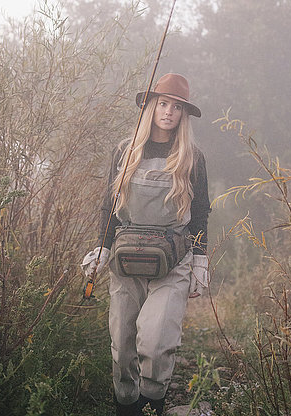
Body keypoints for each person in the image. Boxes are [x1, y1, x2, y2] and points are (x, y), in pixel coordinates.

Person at [81, 73, 211, 416]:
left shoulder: (193, 157)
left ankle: (152, 403)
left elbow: (200, 213)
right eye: (163, 103)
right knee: (123, 344)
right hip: (125, 259)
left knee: (155, 341)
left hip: (174, 260)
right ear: (151, 106)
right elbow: (108, 206)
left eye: (177, 107)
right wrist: (102, 249)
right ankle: (125, 405)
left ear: (184, 114)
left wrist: (201, 262)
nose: (169, 112)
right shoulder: (125, 152)